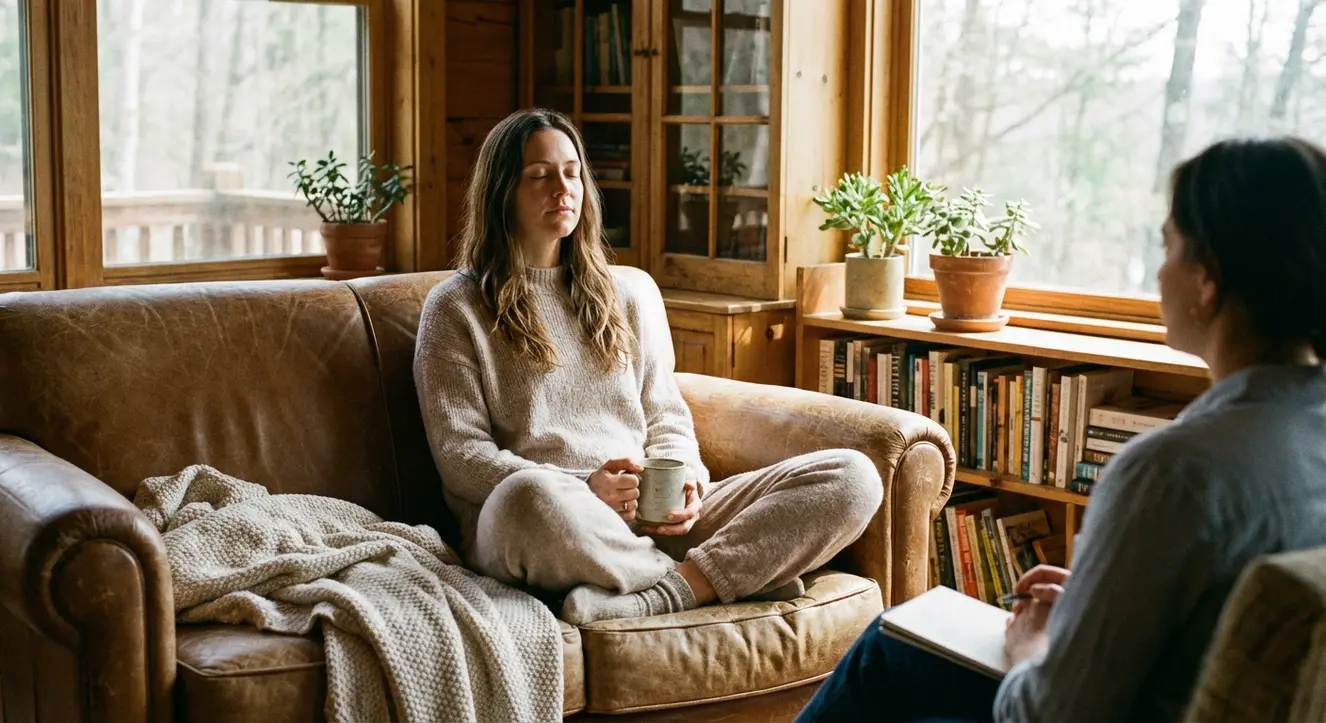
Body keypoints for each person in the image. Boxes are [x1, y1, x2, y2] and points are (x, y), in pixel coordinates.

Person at [797, 135, 1326, 723]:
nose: (1157, 272)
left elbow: (1049, 714)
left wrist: (1035, 648)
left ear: (1208, 280)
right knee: (893, 645)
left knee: (885, 666)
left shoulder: (1173, 473)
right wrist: (1103, 595)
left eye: (1168, 246)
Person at [412, 108, 883, 625]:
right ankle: (735, 574)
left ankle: (672, 590)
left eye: (572, 173)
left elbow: (665, 415)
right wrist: (583, 485)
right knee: (528, 498)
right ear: (502, 191)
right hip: (551, 522)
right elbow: (461, 456)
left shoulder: (627, 293)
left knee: (854, 476)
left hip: (649, 516)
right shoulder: (455, 307)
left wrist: (683, 479)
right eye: (539, 176)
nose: (562, 189)